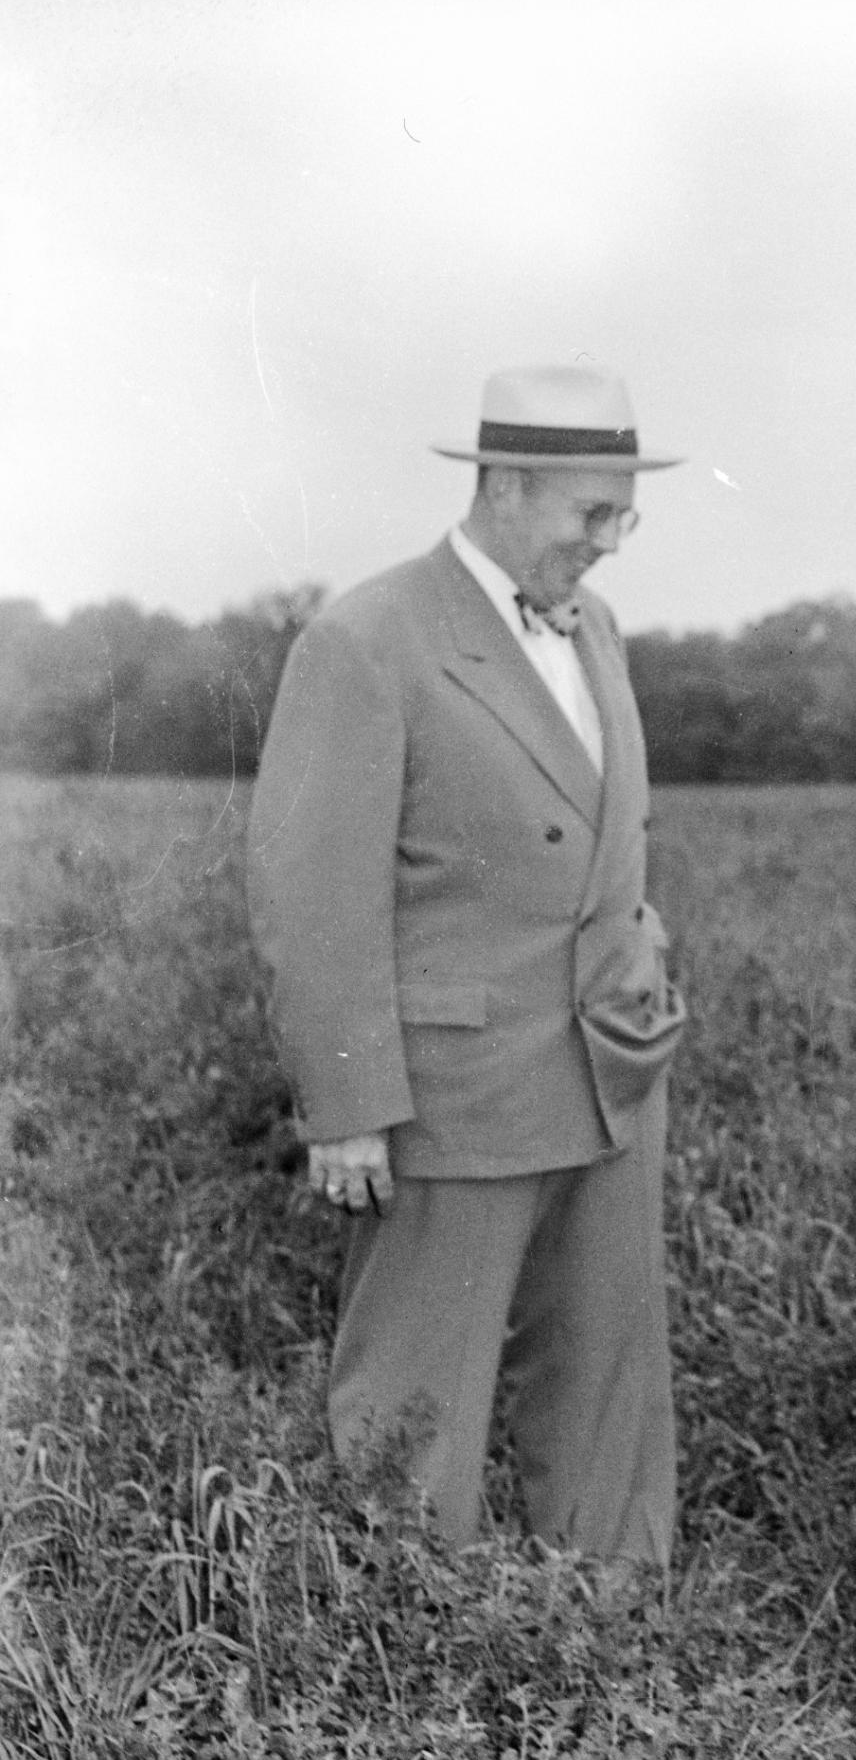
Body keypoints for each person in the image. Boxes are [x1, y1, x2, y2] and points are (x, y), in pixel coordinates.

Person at [247, 365, 690, 1570]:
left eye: (623, 515)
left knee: (607, 1389)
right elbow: (311, 892)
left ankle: (613, 1660)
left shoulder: (597, 631)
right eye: (590, 515)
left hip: (606, 1079)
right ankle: (398, 1671)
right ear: (504, 486)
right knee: (411, 1414)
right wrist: (349, 1110)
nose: (609, 545)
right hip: (452, 1094)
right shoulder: (367, 637)